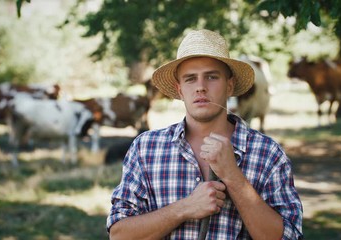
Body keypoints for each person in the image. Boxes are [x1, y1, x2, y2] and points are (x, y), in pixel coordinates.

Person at [107, 29, 303, 239]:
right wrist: (185, 208)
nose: (200, 87)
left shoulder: (267, 153)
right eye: (190, 79)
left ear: (229, 86)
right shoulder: (146, 148)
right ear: (180, 90)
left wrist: (233, 176)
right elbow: (119, 235)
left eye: (211, 77)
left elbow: (289, 236)